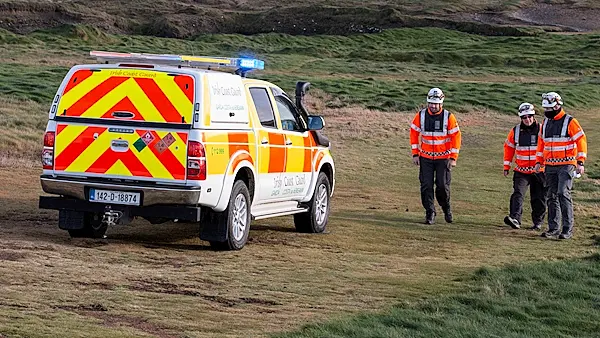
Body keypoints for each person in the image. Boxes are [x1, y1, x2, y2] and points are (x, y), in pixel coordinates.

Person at [534, 92, 587, 239]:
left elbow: (581, 140)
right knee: (551, 196)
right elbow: (541, 144)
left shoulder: (570, 121)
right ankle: (553, 229)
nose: (548, 111)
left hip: (567, 164)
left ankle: (567, 230)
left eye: (550, 108)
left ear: (558, 105)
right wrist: (539, 161)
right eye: (546, 109)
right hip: (550, 165)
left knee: (563, 193)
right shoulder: (545, 123)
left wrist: (580, 161)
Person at [410, 88, 462, 224]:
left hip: (443, 159)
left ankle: (446, 208)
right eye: (430, 103)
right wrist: (415, 154)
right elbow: (414, 133)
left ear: (441, 103)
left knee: (442, 186)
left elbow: (456, 137)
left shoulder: (448, 117)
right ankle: (430, 212)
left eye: (436, 103)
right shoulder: (420, 116)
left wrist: (453, 158)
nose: (433, 106)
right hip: (425, 158)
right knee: (426, 185)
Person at [503, 103, 546, 230]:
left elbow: (549, 147)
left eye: (529, 116)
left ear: (534, 116)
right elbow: (509, 148)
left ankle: (538, 222)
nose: (527, 119)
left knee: (538, 198)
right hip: (521, 170)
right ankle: (515, 219)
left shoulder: (542, 130)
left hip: (539, 171)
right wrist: (507, 166)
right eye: (524, 117)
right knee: (518, 193)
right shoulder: (515, 131)